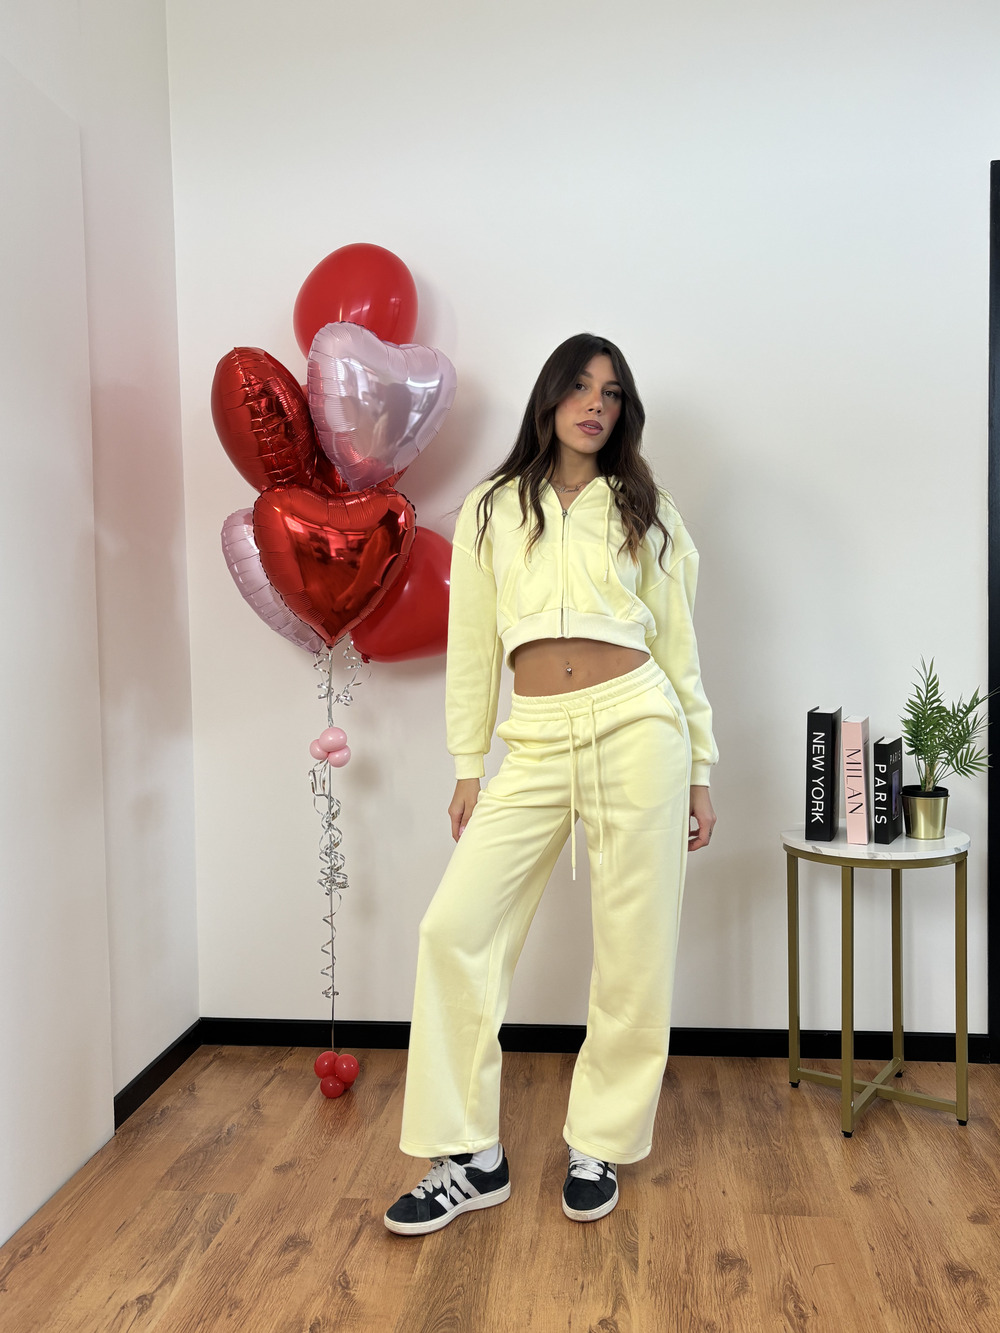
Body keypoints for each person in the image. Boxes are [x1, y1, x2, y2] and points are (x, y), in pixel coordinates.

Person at [383, 333, 718, 1236]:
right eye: (579, 386)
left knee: (634, 948)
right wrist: (468, 764)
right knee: (454, 929)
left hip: (639, 728)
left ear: (623, 412)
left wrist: (700, 769)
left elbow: (679, 648)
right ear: (549, 398)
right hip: (532, 741)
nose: (594, 403)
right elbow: (472, 646)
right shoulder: (494, 507)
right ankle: (469, 1155)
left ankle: (598, 1141)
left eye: (611, 392)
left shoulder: (648, 508)